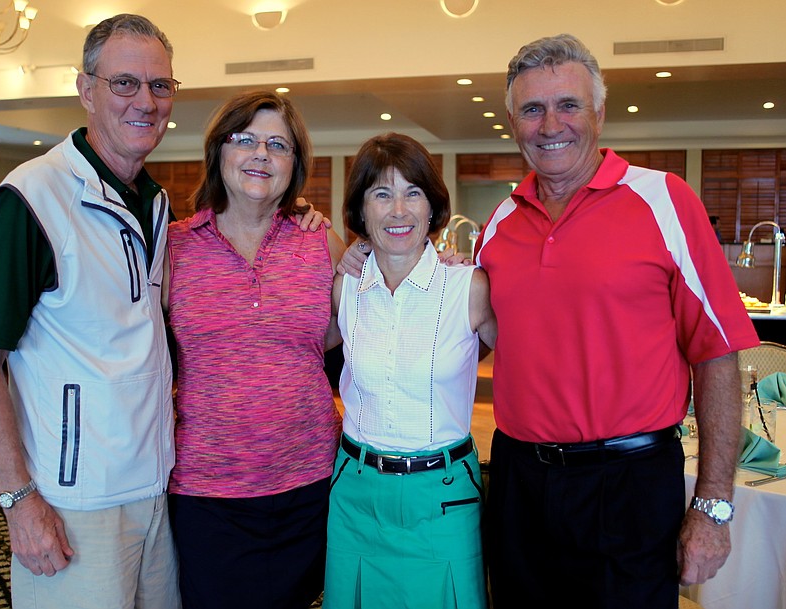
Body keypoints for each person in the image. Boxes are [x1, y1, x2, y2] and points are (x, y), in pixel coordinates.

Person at [474, 34, 760, 607]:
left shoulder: (664, 201)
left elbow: (717, 352)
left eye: (568, 105)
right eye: (532, 108)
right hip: (518, 482)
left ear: (599, 114)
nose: (550, 123)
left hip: (628, 486)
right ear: (512, 122)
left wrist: (712, 506)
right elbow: (471, 336)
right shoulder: (500, 221)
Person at [0, 14, 182, 608]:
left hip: (156, 487)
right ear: (86, 90)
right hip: (72, 503)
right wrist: (18, 500)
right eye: (124, 83)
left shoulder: (156, 204)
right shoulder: (30, 199)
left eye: (160, 85)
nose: (145, 101)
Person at [163, 90, 346, 609]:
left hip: (307, 481)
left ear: (296, 164)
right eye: (244, 140)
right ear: (219, 152)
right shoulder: (176, 247)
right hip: (206, 490)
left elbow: (341, 336)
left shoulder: (321, 242)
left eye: (278, 144)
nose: (261, 154)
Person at [324, 133, 496, 609]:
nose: (398, 210)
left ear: (432, 206)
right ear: (361, 211)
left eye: (412, 192)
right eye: (381, 193)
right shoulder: (345, 289)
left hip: (442, 501)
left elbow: (530, 363)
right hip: (356, 496)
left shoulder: (469, 286)